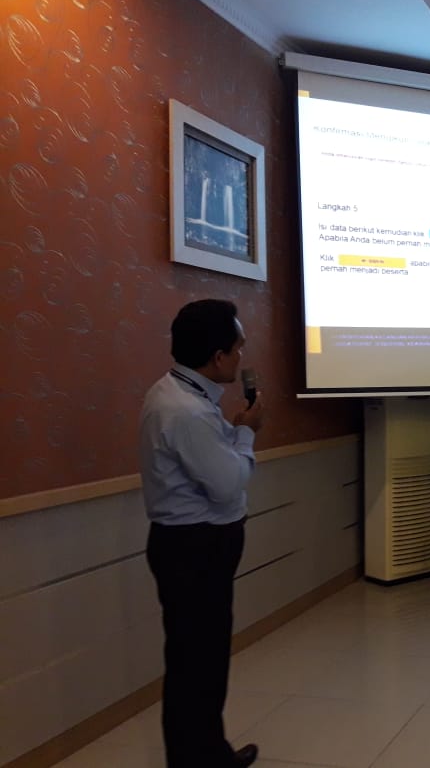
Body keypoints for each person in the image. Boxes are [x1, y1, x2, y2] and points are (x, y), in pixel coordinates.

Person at [139, 299, 265, 768]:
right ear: (217, 356)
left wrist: (234, 432)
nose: (242, 356)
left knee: (201, 661)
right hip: (194, 550)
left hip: (193, 546)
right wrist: (247, 433)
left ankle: (209, 753)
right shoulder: (187, 411)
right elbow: (228, 484)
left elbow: (211, 463)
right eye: (238, 348)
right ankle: (198, 760)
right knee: (197, 665)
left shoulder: (178, 394)